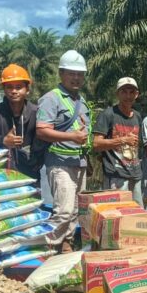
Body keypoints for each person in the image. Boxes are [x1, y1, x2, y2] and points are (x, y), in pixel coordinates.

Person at [35, 50, 92, 253]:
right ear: (61, 73)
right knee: (64, 210)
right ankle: (48, 246)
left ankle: (66, 243)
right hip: (59, 162)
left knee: (76, 209)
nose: (76, 78)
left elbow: (84, 134)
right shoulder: (52, 98)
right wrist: (72, 137)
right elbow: (42, 130)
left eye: (79, 74)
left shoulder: (81, 101)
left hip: (79, 162)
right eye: (71, 73)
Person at [0, 64, 42, 180]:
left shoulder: (37, 112)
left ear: (27, 89)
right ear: (4, 90)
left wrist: (38, 162)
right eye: (9, 87)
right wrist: (2, 141)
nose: (14, 91)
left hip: (30, 175)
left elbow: (46, 142)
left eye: (19, 87)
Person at [93, 77, 143, 206]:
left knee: (137, 213)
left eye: (132, 92)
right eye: (124, 92)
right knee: (117, 213)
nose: (128, 96)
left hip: (135, 174)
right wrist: (123, 140)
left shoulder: (137, 116)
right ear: (117, 94)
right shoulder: (108, 114)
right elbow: (96, 144)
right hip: (115, 175)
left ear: (136, 94)